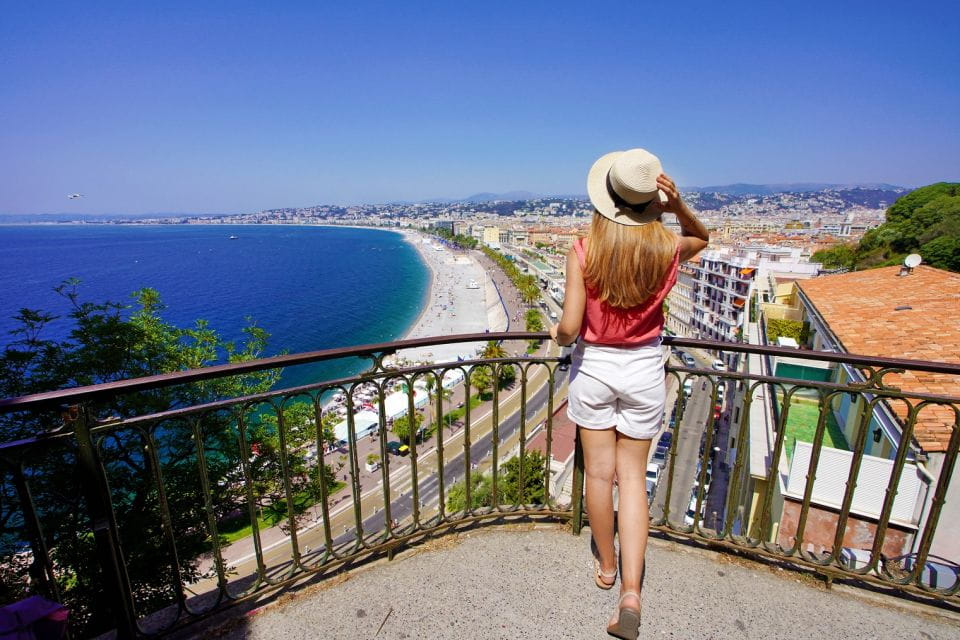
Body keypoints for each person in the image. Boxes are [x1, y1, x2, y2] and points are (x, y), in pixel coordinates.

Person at [549, 148, 708, 639]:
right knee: (633, 480)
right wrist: (677, 206)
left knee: (599, 475)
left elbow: (571, 327)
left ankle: (607, 566)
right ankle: (632, 593)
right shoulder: (665, 249)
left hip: (596, 369)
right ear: (650, 203)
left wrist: (556, 334)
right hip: (644, 371)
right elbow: (702, 238)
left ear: (606, 200)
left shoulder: (583, 250)